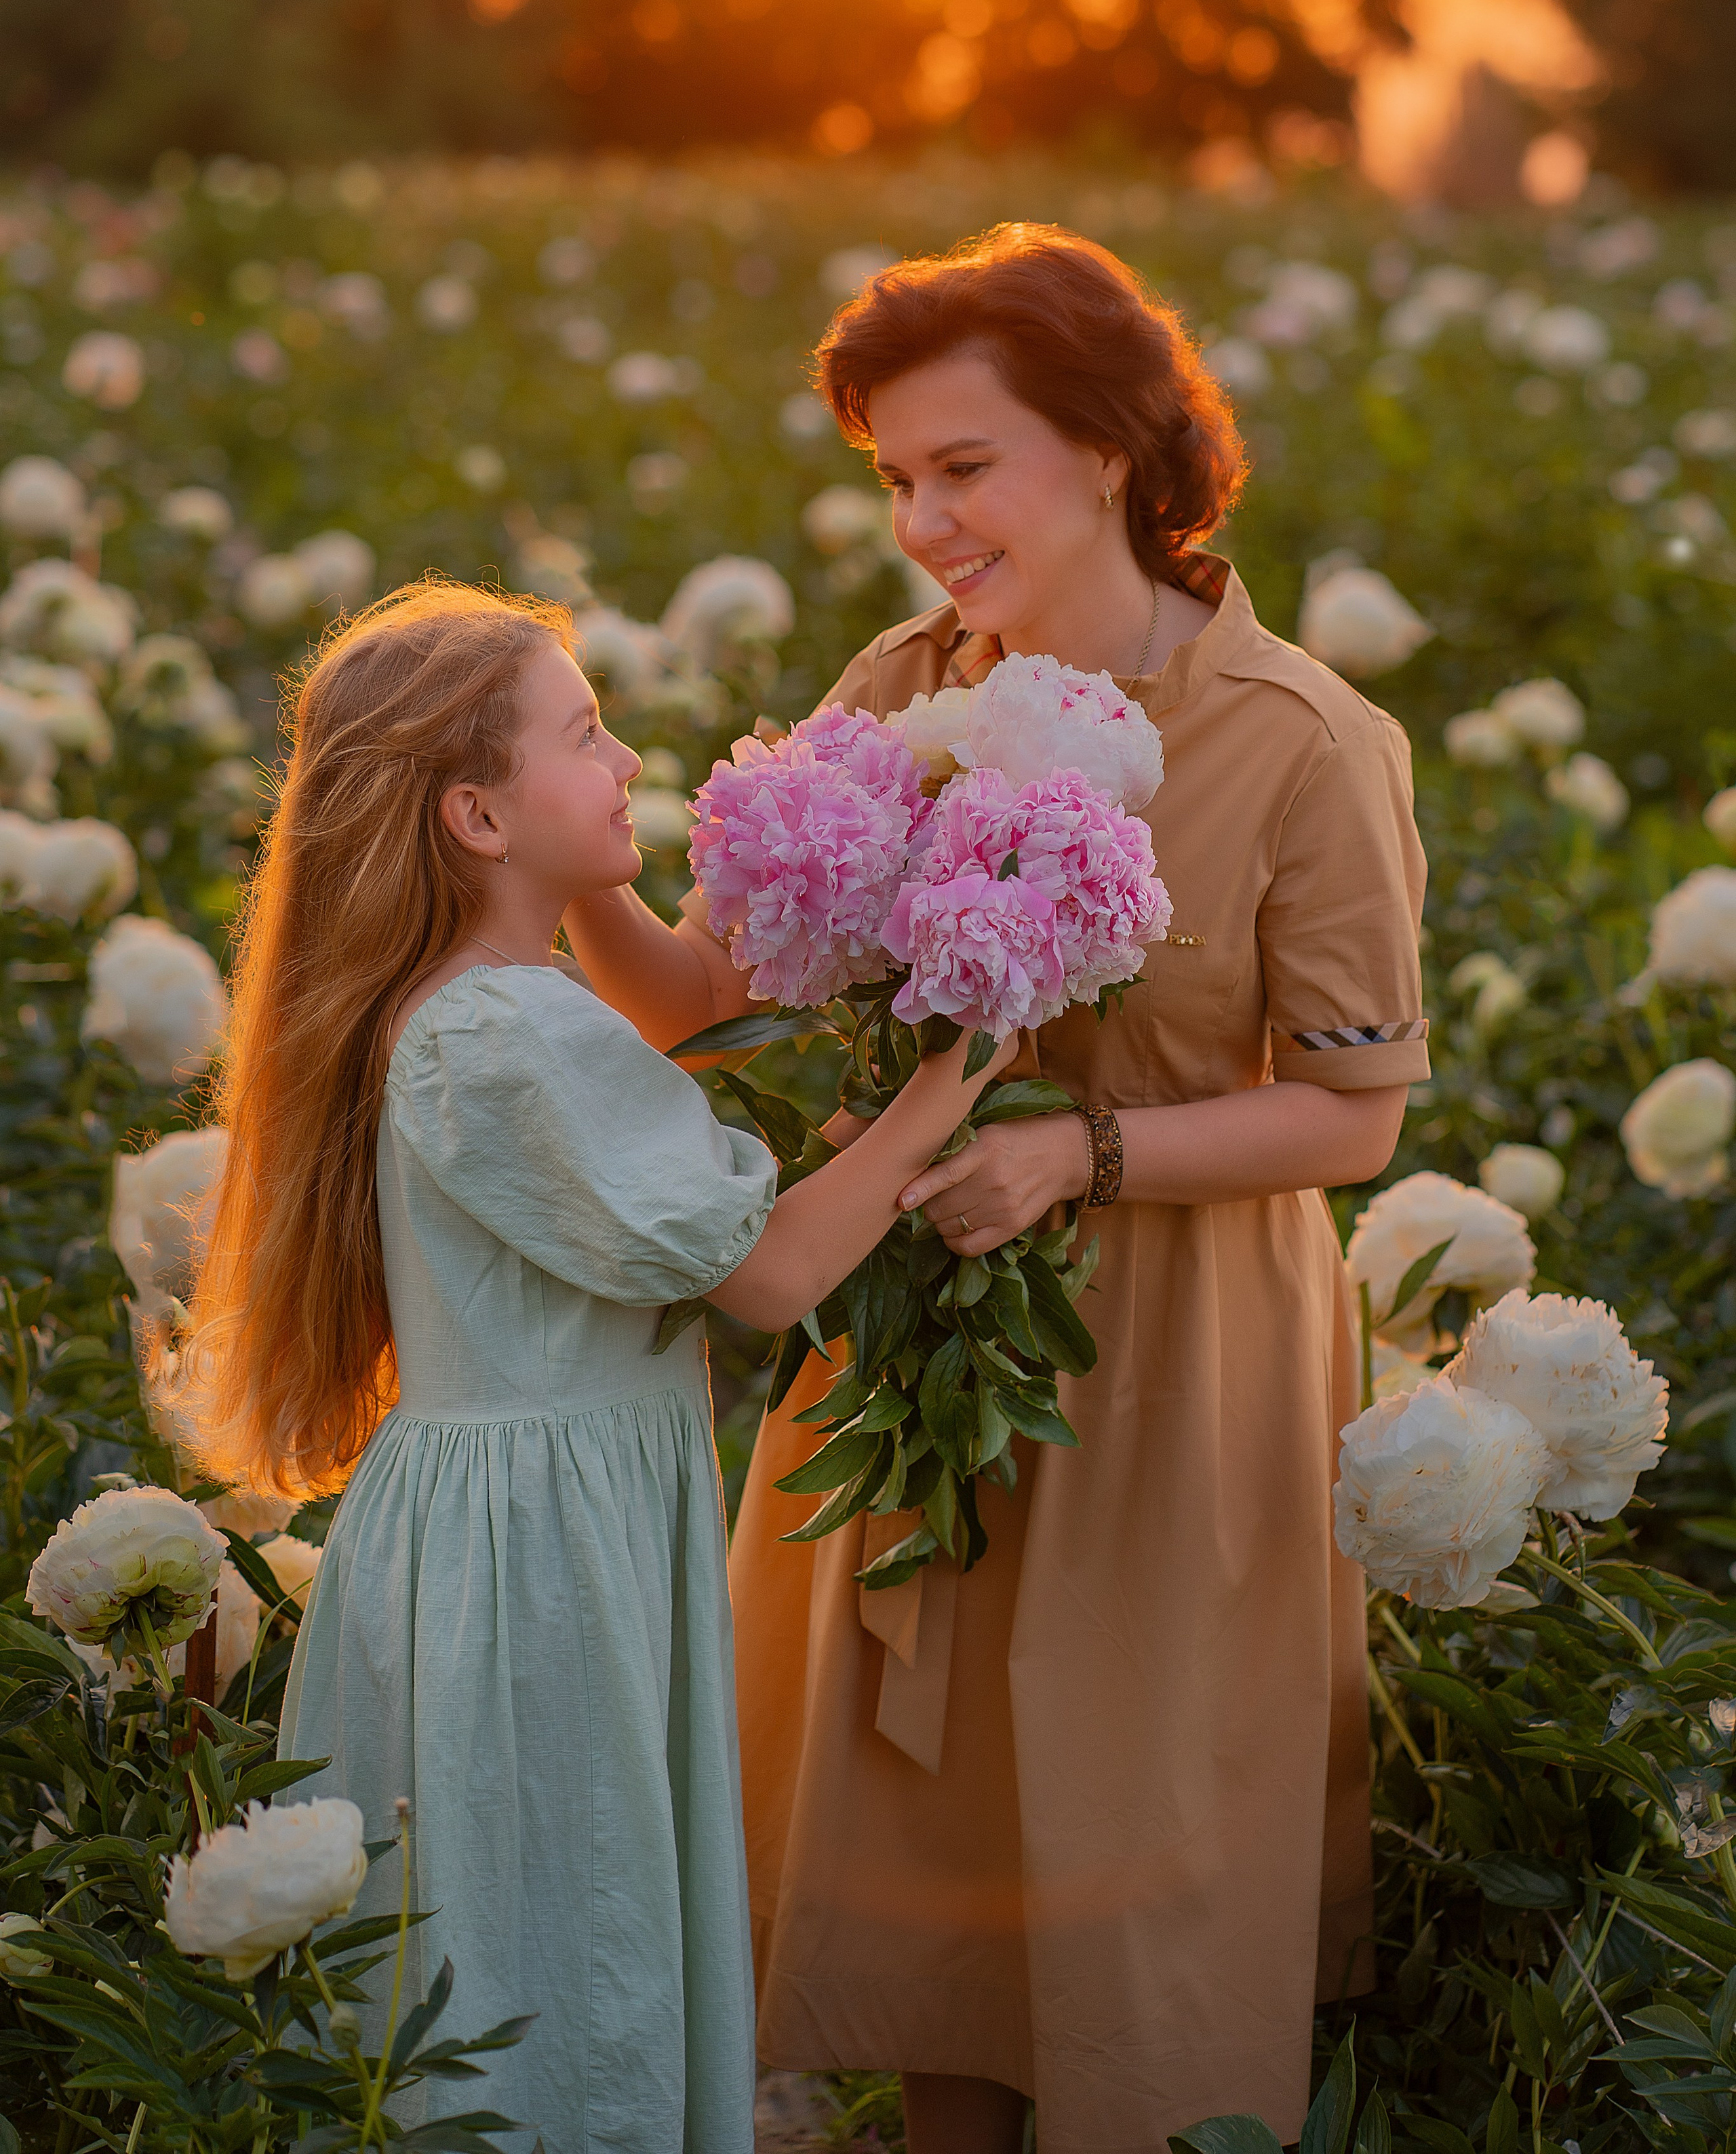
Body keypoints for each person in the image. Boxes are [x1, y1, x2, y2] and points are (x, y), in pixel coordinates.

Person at [565, 222, 1429, 2153]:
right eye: (893, 481)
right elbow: (718, 987)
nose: (923, 523)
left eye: (964, 468)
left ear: (1114, 449)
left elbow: (1353, 1118)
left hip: (1172, 1369)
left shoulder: (1303, 745)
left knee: (1139, 1916)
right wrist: (548, 864)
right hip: (912, 1366)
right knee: (928, 1902)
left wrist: (1080, 1150)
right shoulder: (896, 685)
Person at [179, 579, 1011, 2154]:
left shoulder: (496, 1015)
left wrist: (847, 1139)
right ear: (479, 815)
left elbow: (697, 1214)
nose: (629, 759)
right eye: (585, 733)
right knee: (559, 1936)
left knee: (523, 1916)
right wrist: (959, 1066)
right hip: (537, 1571)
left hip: (521, 1531)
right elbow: (767, 1275)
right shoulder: (501, 1035)